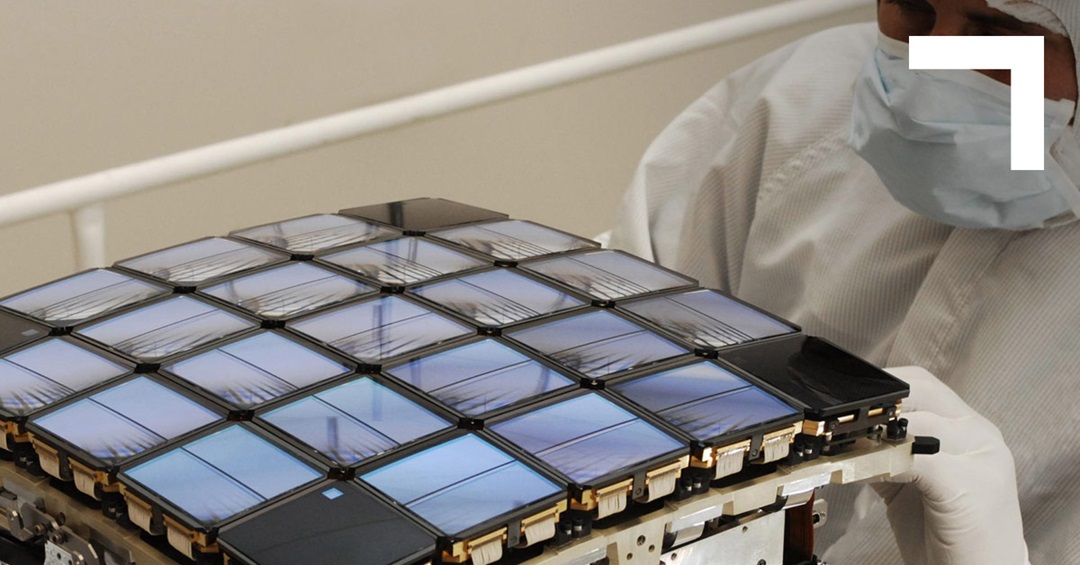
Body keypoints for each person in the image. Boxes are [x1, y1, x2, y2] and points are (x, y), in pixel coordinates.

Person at [607, 0, 1080, 563]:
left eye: (997, 30)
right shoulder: (799, 101)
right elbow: (615, 348)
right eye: (911, 8)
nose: (930, 68)